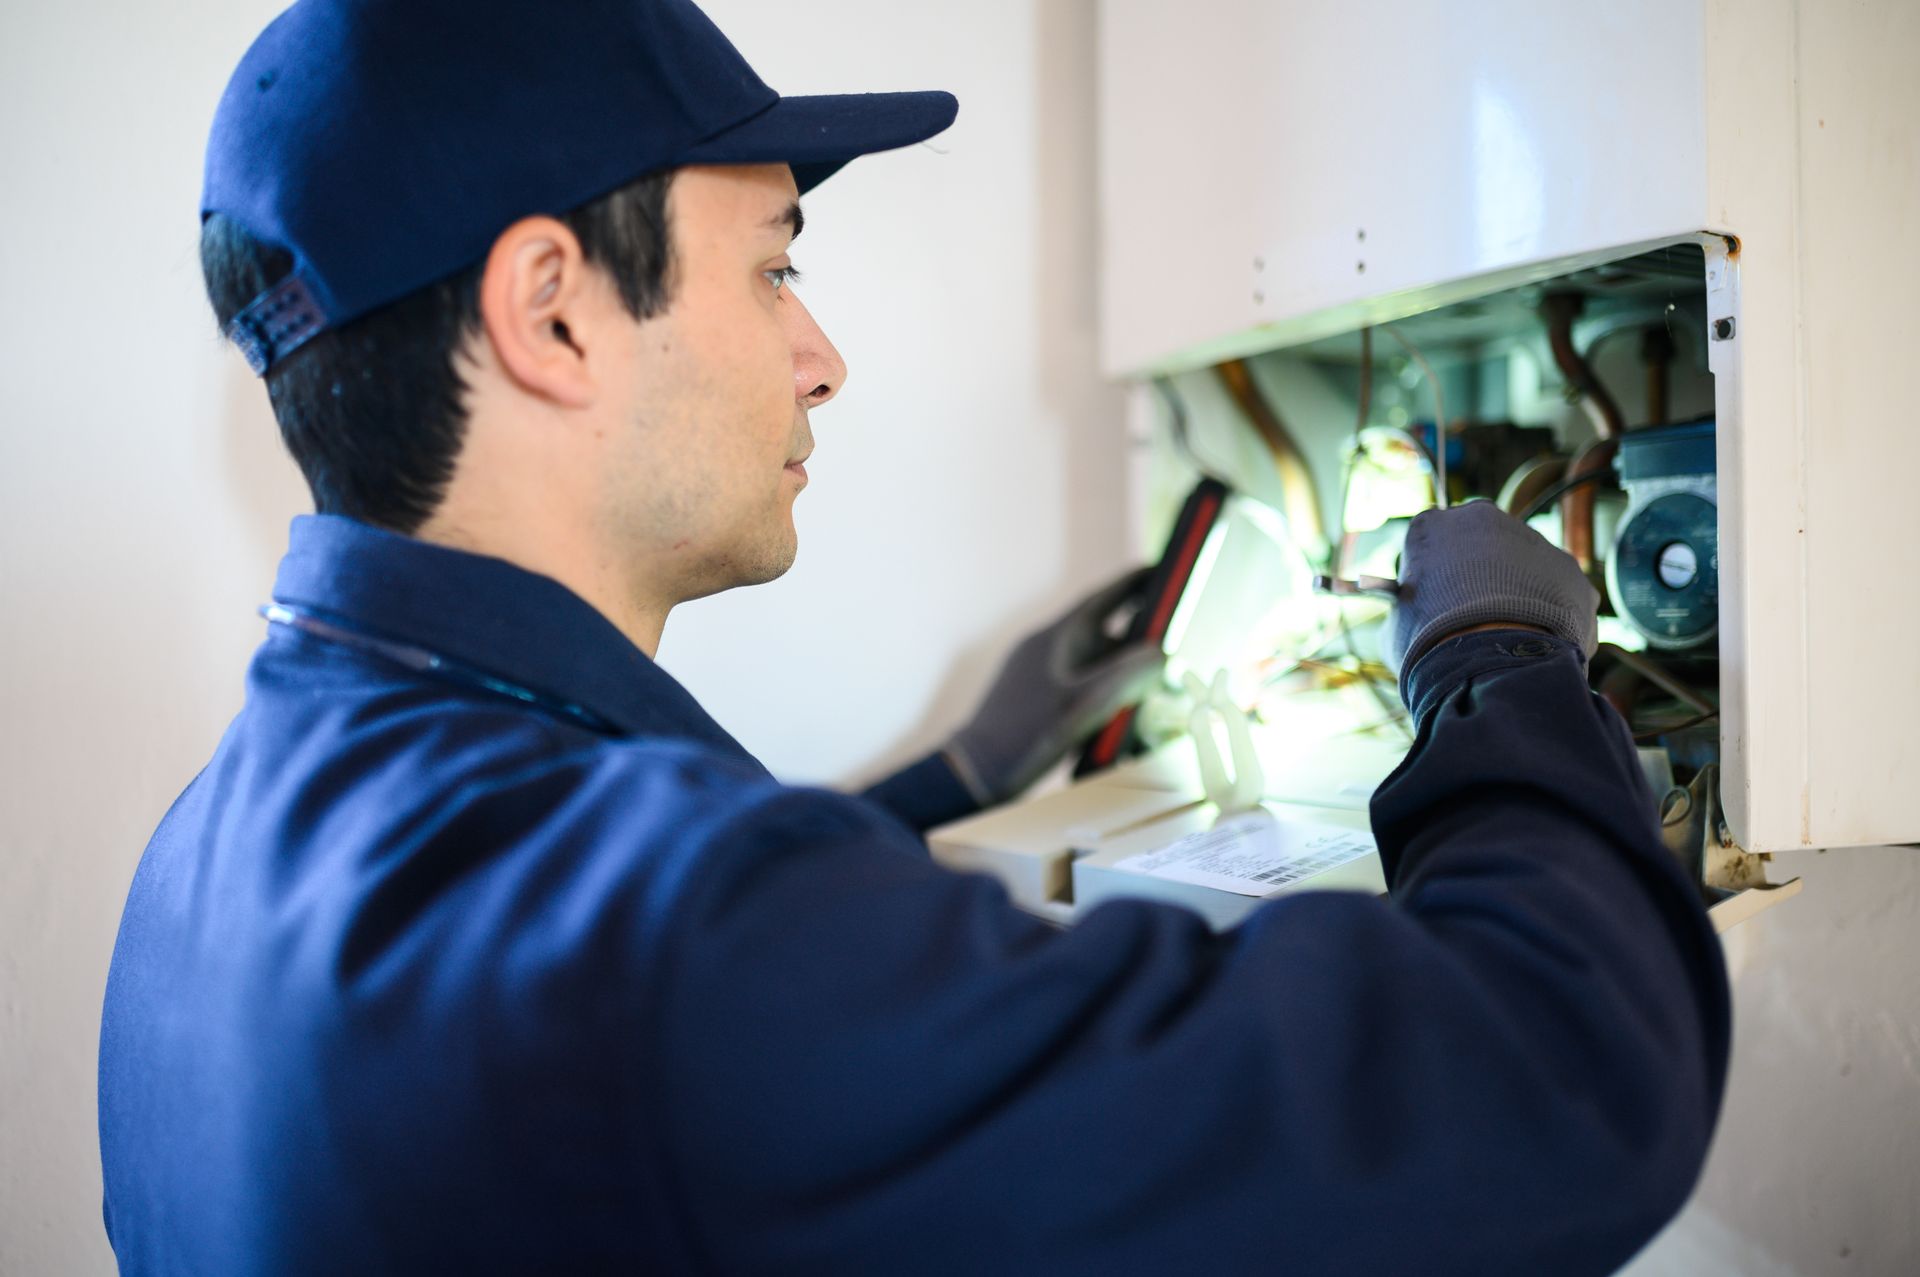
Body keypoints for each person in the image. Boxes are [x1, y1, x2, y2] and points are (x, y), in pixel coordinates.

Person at [97, 1, 1730, 1273]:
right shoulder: (679, 950)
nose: (820, 356)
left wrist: (949, 779)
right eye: (773, 268)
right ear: (553, 312)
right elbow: (1555, 1075)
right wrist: (1498, 664)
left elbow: (646, 1049)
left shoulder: (198, 867)